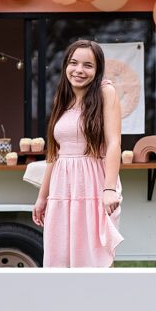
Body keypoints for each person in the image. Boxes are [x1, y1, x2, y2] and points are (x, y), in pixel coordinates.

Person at [32, 39, 123, 268]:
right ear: (65, 66)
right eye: (74, 63)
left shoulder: (106, 92)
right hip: (62, 187)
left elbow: (114, 143)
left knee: (91, 255)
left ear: (97, 69)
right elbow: (55, 153)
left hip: (92, 185)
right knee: (59, 254)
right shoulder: (62, 98)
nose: (79, 70)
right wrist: (42, 197)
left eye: (88, 65)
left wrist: (110, 189)